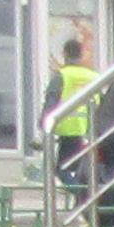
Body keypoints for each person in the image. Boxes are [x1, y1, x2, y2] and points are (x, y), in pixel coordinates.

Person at [44, 33, 98, 205]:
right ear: (81, 55)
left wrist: (43, 126)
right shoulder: (93, 77)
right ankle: (83, 199)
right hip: (90, 130)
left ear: (65, 54)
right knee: (84, 169)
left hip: (69, 130)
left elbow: (51, 103)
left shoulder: (62, 76)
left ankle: (83, 195)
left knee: (62, 169)